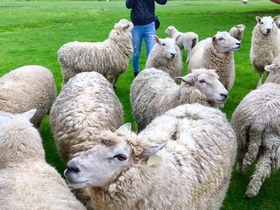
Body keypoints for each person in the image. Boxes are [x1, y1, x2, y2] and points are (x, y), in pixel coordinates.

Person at [126, 0, 167, 78]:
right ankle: (136, 73)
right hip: (136, 26)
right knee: (136, 52)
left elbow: (162, 2)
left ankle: (149, 73)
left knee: (151, 52)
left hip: (150, 25)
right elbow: (128, 5)